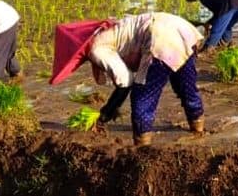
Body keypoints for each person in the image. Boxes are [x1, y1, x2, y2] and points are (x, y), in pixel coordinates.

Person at [49, 13, 204, 146]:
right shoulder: (106, 29)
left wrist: (105, 114)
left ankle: (142, 147)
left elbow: (125, 80)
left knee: (141, 98)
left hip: (160, 40)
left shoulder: (96, 48)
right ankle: (198, 130)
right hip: (182, 29)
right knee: (185, 86)